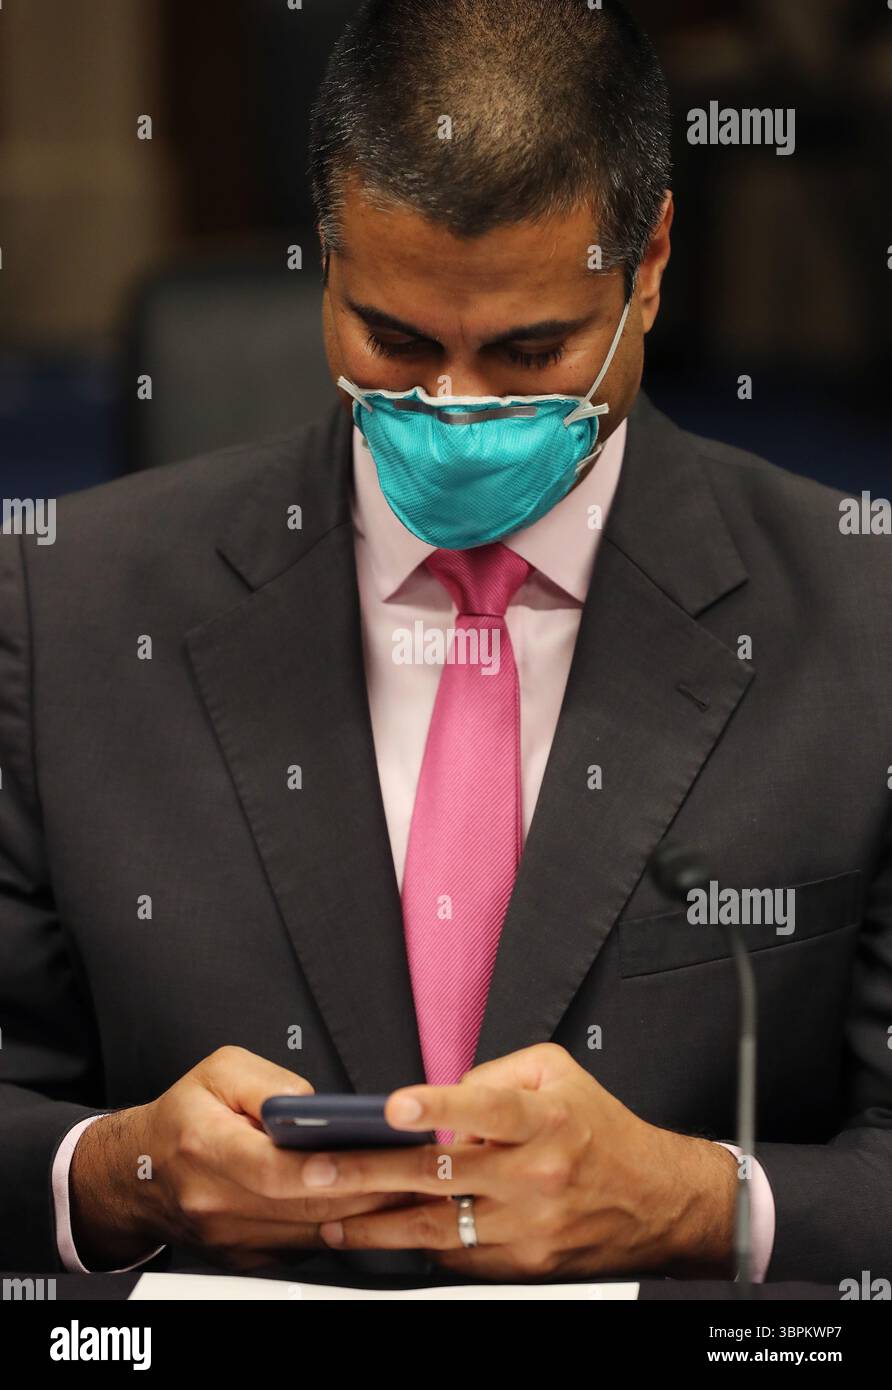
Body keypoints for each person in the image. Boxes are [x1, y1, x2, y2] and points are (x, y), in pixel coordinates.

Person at [0, 0, 890, 1287]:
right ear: (328, 254)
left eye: (528, 353)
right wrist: (117, 1169)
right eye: (398, 341)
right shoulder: (61, 606)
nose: (455, 413)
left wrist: (707, 1204)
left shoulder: (862, 624)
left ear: (647, 265)